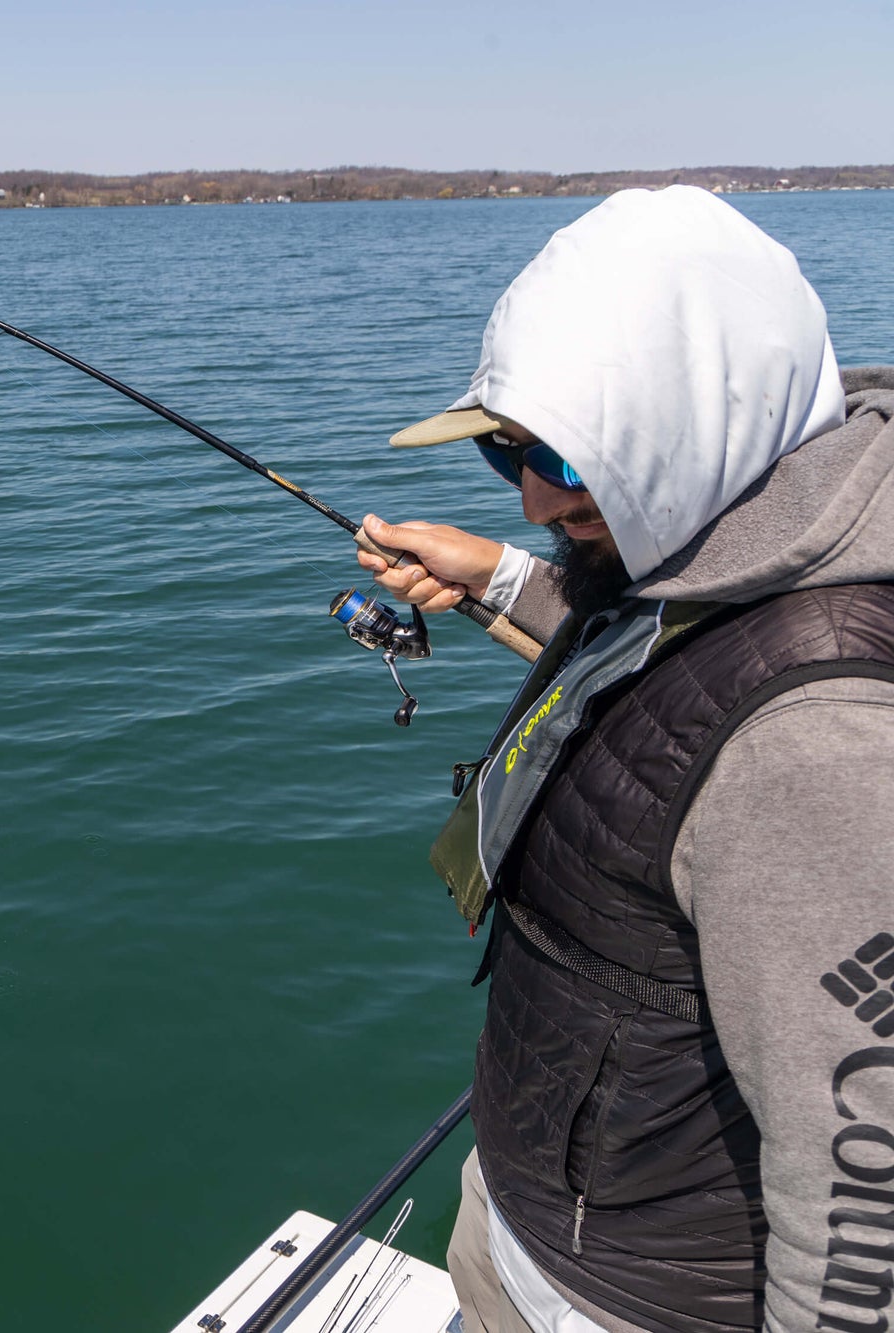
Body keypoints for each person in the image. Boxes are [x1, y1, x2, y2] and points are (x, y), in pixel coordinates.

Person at [355, 185, 894, 1333]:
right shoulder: (731, 538)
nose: (537, 490)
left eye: (567, 449)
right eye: (508, 448)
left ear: (703, 423)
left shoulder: (816, 747)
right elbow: (662, 656)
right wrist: (495, 576)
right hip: (534, 1216)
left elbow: (865, 1184)